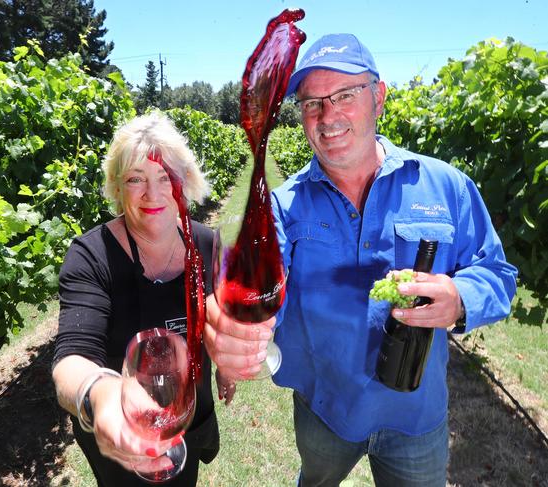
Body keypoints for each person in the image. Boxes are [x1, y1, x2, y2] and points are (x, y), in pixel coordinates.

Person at [204, 33, 518, 486]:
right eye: (312, 103)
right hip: (326, 411)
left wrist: (460, 297)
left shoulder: (445, 186)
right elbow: (259, 287)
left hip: (416, 416)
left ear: (379, 97)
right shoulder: (284, 205)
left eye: (345, 96)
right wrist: (237, 323)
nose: (328, 116)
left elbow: (498, 274)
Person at [52, 111, 231, 487]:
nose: (153, 193)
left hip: (189, 410)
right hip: (124, 428)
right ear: (118, 187)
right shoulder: (91, 256)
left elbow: (220, 316)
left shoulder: (207, 244)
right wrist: (100, 397)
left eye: (165, 177)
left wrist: (226, 368)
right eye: (136, 179)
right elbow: (72, 357)